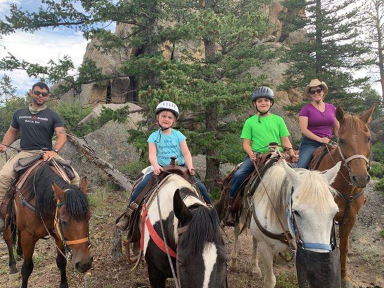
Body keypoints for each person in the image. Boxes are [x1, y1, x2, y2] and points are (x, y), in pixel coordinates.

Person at [0, 82, 80, 232]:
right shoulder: (19, 113)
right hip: (25, 153)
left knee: (75, 177)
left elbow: (61, 135)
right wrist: (4, 144)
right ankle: (2, 216)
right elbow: (12, 131)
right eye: (37, 93)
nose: (40, 96)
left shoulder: (53, 115)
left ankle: (74, 212)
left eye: (44, 94)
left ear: (47, 96)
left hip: (47, 153)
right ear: (31, 93)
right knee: (3, 176)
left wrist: (54, 150)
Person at [130, 100, 210, 204]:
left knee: (201, 187)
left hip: (180, 167)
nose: (166, 119)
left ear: (174, 120)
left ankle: (210, 210)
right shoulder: (153, 137)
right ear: (157, 117)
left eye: (170, 117)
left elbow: (186, 153)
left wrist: (190, 166)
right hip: (161, 168)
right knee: (142, 186)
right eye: (163, 116)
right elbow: (152, 155)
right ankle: (129, 212)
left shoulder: (179, 135)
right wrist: (155, 166)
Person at [227, 86, 297, 200]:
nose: (263, 103)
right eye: (260, 101)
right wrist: (251, 154)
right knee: (239, 175)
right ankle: (230, 200)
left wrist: (291, 152)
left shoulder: (278, 120)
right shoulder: (250, 122)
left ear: (271, 103)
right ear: (255, 104)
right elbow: (246, 143)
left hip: (276, 155)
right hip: (257, 155)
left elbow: (285, 140)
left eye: (266, 100)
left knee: (295, 174)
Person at [297, 79, 339, 168]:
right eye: (313, 91)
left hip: (329, 142)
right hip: (311, 143)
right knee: (301, 167)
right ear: (310, 94)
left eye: (318, 90)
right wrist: (320, 139)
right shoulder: (306, 109)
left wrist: (341, 140)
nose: (316, 93)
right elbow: (304, 130)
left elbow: (336, 128)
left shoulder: (331, 108)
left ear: (323, 91)